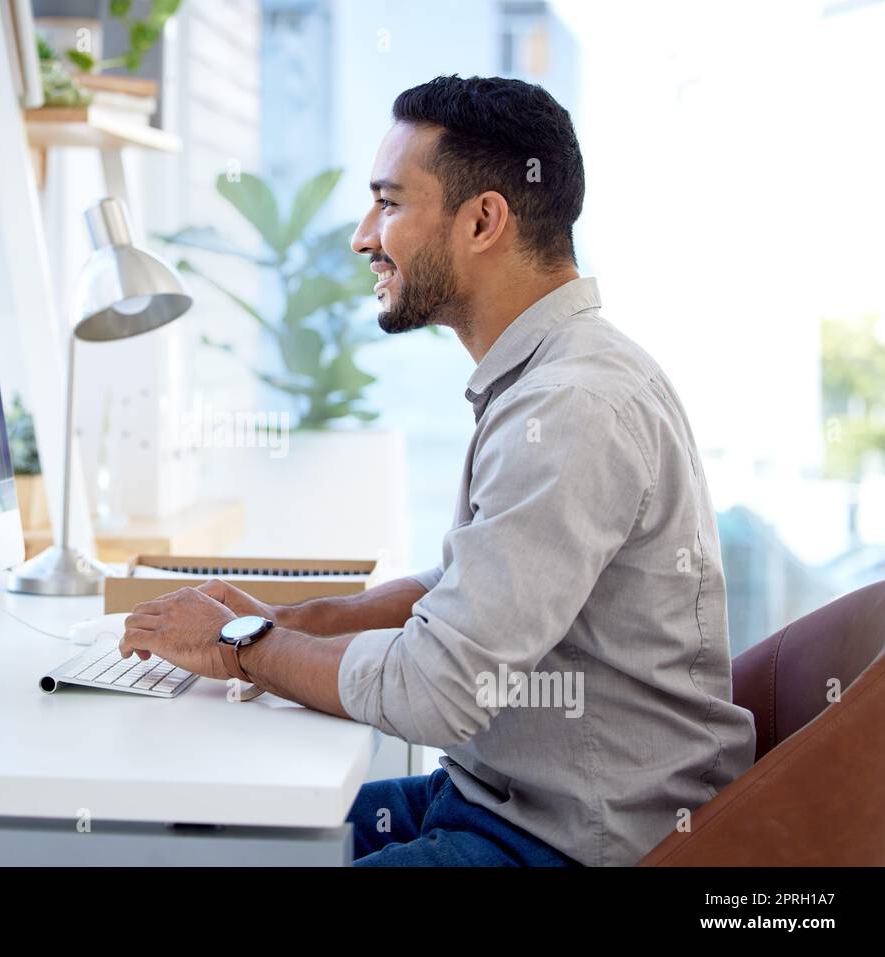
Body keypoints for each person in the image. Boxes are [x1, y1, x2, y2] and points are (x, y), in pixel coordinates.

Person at [119, 74, 756, 867]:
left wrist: (241, 643)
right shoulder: (551, 375)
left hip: (573, 842)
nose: (362, 236)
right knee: (199, 833)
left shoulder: (572, 405)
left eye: (389, 203)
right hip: (500, 799)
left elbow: (437, 687)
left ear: (484, 219)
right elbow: (464, 589)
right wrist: (291, 621)